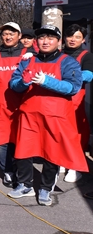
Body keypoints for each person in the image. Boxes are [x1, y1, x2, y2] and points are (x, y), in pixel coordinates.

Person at [8, 25, 87, 206]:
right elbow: (14, 85)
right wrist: (23, 82)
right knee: (23, 151)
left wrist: (47, 81)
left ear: (58, 41)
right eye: (42, 38)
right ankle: (24, 184)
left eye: (50, 38)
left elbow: (73, 87)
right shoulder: (28, 60)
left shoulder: (68, 62)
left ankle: (45, 187)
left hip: (55, 116)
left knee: (52, 153)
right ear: (36, 42)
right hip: (29, 115)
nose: (45, 41)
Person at [0, 22, 30, 187]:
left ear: (19, 36)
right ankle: (7, 171)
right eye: (4, 34)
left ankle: (20, 169)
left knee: (21, 138)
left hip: (22, 104)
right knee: (0, 140)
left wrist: (35, 59)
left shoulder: (28, 53)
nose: (7, 37)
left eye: (11, 33)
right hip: (0, 104)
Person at [61, 24, 92, 183]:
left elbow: (88, 75)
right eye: (70, 36)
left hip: (76, 101)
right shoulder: (58, 54)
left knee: (76, 133)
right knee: (59, 132)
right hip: (58, 99)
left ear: (83, 39)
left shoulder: (86, 56)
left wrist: (67, 75)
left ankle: (74, 167)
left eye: (77, 37)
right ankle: (61, 160)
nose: (73, 40)